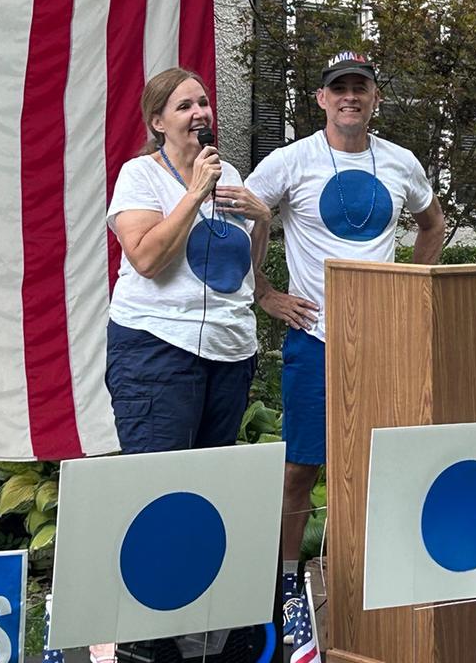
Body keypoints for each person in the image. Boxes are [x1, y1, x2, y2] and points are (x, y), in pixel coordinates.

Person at [244, 51, 446, 634]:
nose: (350, 98)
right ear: (322, 99)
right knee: (300, 468)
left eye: (361, 88)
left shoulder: (401, 163)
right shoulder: (293, 160)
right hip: (315, 338)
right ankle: (286, 583)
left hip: (384, 340)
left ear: (375, 98)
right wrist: (263, 291)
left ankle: (366, 574)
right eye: (340, 89)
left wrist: (413, 288)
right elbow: (245, 214)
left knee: (381, 464)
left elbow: (431, 224)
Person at [105, 67, 271, 455]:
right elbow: (146, 259)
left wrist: (261, 219)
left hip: (229, 350)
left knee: (209, 484)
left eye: (203, 102)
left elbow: (245, 269)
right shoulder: (140, 174)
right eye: (184, 106)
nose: (200, 112)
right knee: (159, 482)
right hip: (157, 348)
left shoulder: (227, 173)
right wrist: (195, 192)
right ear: (158, 122)